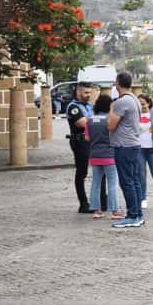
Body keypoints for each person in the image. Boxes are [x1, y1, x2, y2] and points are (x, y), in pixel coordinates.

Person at [107, 71, 145, 228]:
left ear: (118, 83)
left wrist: (111, 108)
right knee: (134, 181)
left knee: (127, 182)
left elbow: (111, 125)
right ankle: (138, 214)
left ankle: (132, 215)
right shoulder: (135, 99)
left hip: (124, 146)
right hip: (134, 145)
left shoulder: (121, 102)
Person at [85, 94, 124, 220]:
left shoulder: (89, 119)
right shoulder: (109, 119)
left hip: (94, 156)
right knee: (112, 183)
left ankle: (96, 210)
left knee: (96, 183)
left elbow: (87, 138)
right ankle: (115, 210)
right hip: (109, 156)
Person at [66, 82, 95, 214]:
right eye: (86, 93)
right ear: (78, 92)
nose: (89, 95)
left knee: (101, 170)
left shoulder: (89, 106)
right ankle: (83, 204)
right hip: (80, 142)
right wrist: (95, 119)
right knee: (82, 172)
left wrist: (92, 119)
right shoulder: (73, 107)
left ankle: (102, 200)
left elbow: (92, 120)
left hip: (92, 141)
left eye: (90, 92)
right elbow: (82, 123)